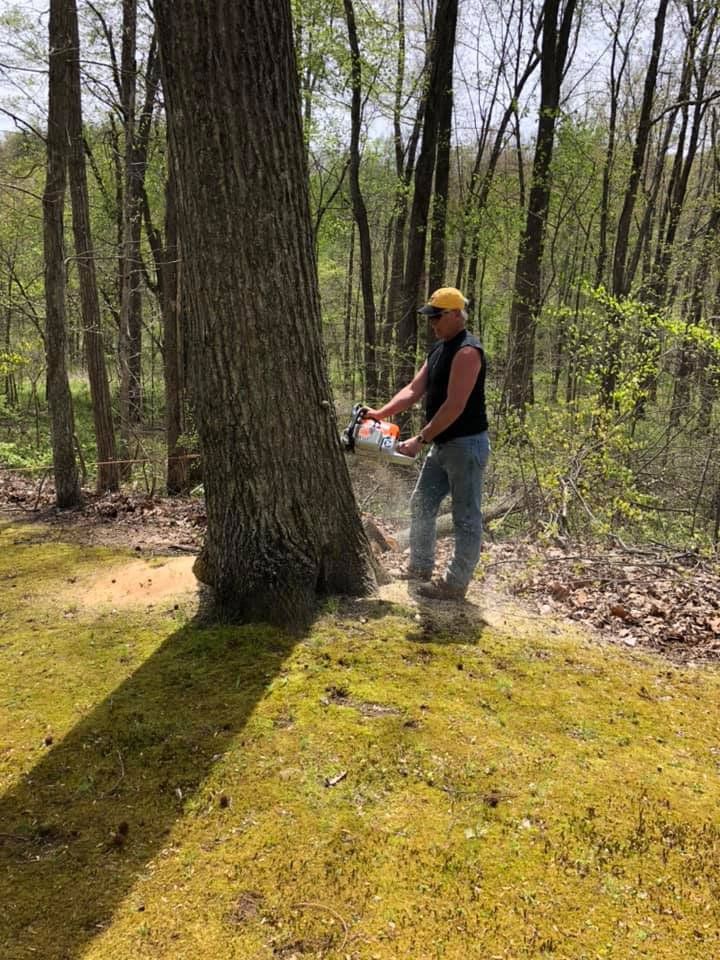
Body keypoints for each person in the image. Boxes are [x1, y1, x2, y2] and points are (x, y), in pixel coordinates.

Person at [363, 287, 490, 600]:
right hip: (443, 445)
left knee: (466, 517)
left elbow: (454, 406)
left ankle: (455, 583)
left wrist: (420, 439)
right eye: (430, 316)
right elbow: (412, 389)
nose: (432, 323)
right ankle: (420, 567)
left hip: (465, 445)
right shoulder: (439, 349)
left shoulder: (467, 352)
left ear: (454, 315)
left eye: (437, 316)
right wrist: (379, 414)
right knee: (422, 502)